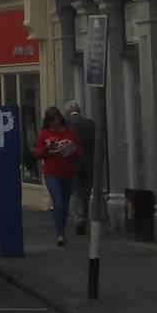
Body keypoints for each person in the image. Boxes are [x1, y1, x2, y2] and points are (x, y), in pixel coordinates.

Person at [33, 106, 81, 247]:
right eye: (51, 121)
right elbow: (38, 154)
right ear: (48, 122)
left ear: (60, 118)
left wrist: (72, 151)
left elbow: (79, 150)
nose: (55, 124)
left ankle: (62, 231)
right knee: (58, 202)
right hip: (51, 173)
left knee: (65, 204)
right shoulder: (44, 134)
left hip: (67, 172)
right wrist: (47, 148)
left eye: (56, 120)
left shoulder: (70, 133)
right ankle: (59, 234)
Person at [64, 100, 96, 235]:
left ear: (67, 112)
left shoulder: (65, 124)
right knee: (86, 193)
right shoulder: (91, 124)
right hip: (88, 163)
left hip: (72, 163)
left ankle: (79, 218)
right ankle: (85, 219)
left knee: (75, 191)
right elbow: (97, 144)